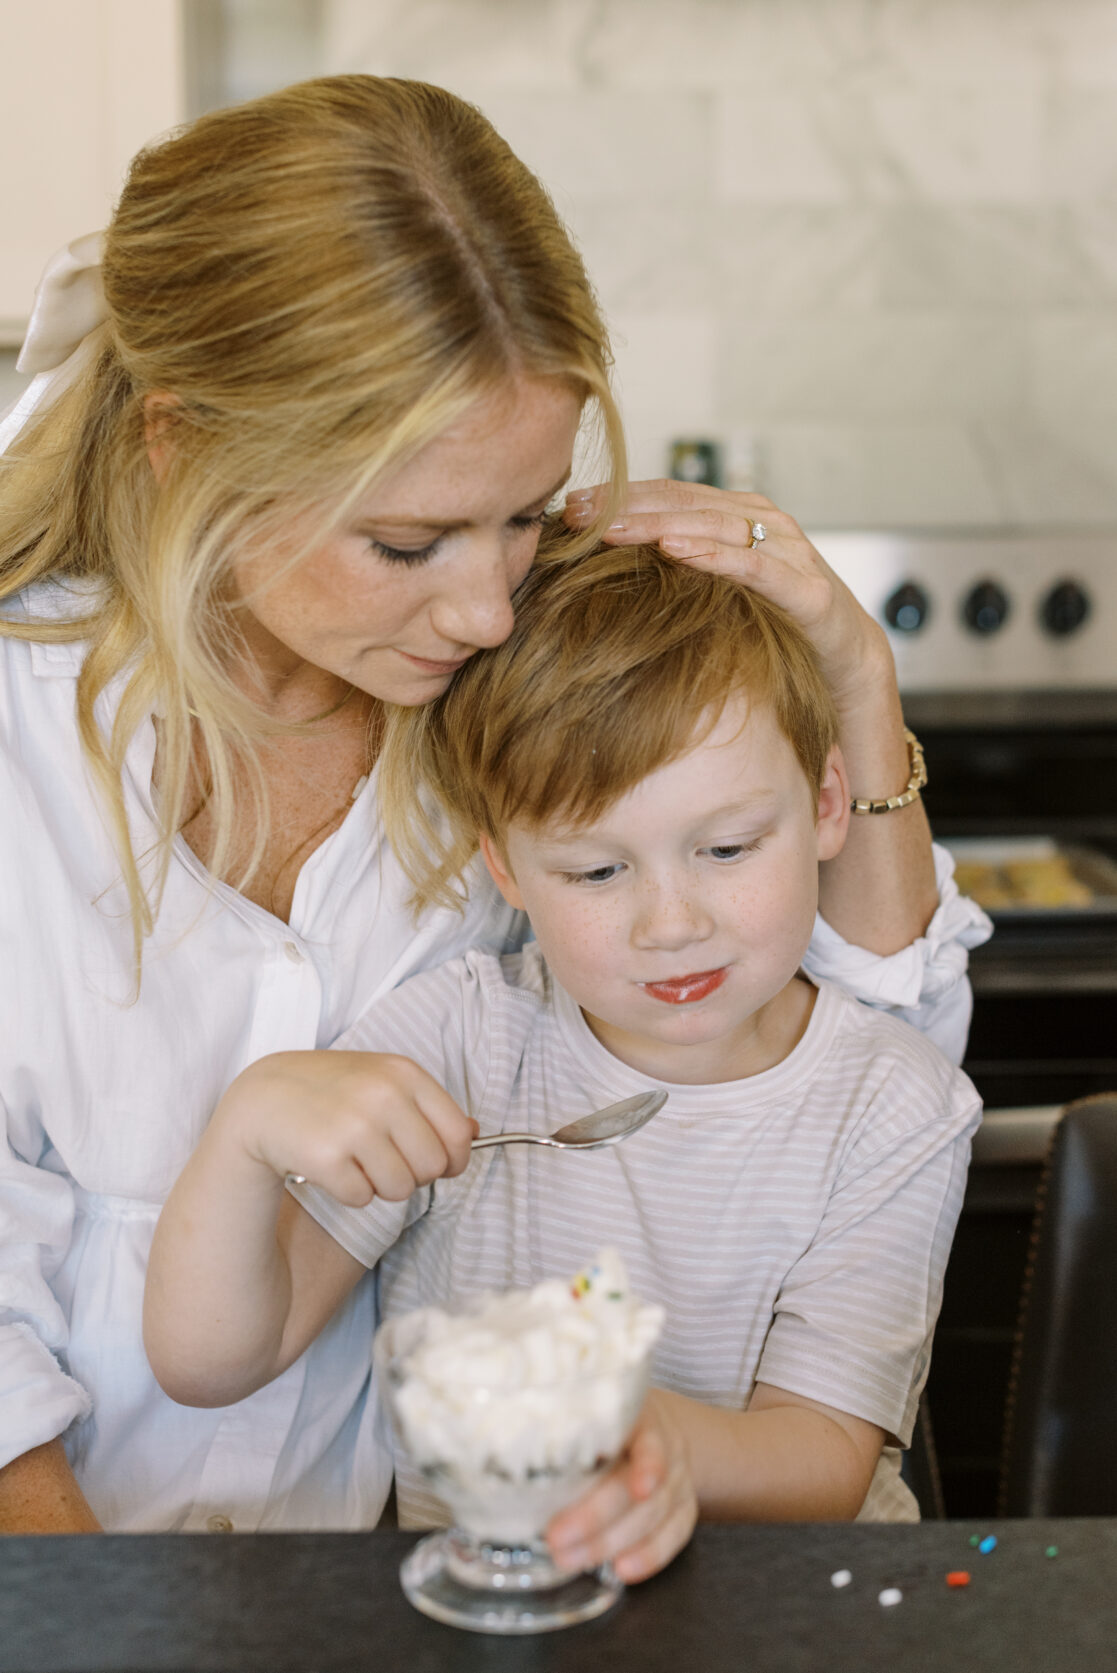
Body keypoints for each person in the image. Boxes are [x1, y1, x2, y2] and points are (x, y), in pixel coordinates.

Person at [0, 74, 988, 1535]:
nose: (480, 606)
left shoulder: (516, 695)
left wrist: (849, 661)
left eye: (524, 513)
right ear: (182, 446)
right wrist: (96, 1620)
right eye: (406, 541)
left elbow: (843, 1062)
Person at [144, 545, 983, 1582]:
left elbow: (821, 1456)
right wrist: (245, 1134)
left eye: (725, 848)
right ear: (505, 865)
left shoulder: (894, 1102)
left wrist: (646, 1435)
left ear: (822, 804)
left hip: (790, 1614)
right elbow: (210, 1360)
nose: (669, 923)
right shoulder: (457, 1041)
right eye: (595, 868)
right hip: (491, 1614)